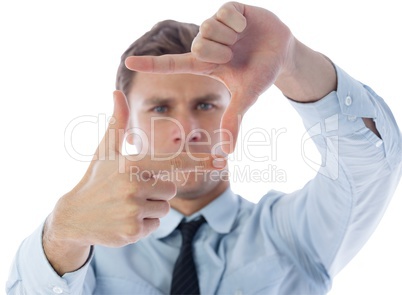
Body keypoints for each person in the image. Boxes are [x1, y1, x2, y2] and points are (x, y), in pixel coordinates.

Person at [6, 1, 402, 294]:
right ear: (128, 126)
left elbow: (371, 164)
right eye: (161, 108)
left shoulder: (292, 235)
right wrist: (62, 234)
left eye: (206, 105)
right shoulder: (84, 256)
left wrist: (294, 61)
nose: (187, 128)